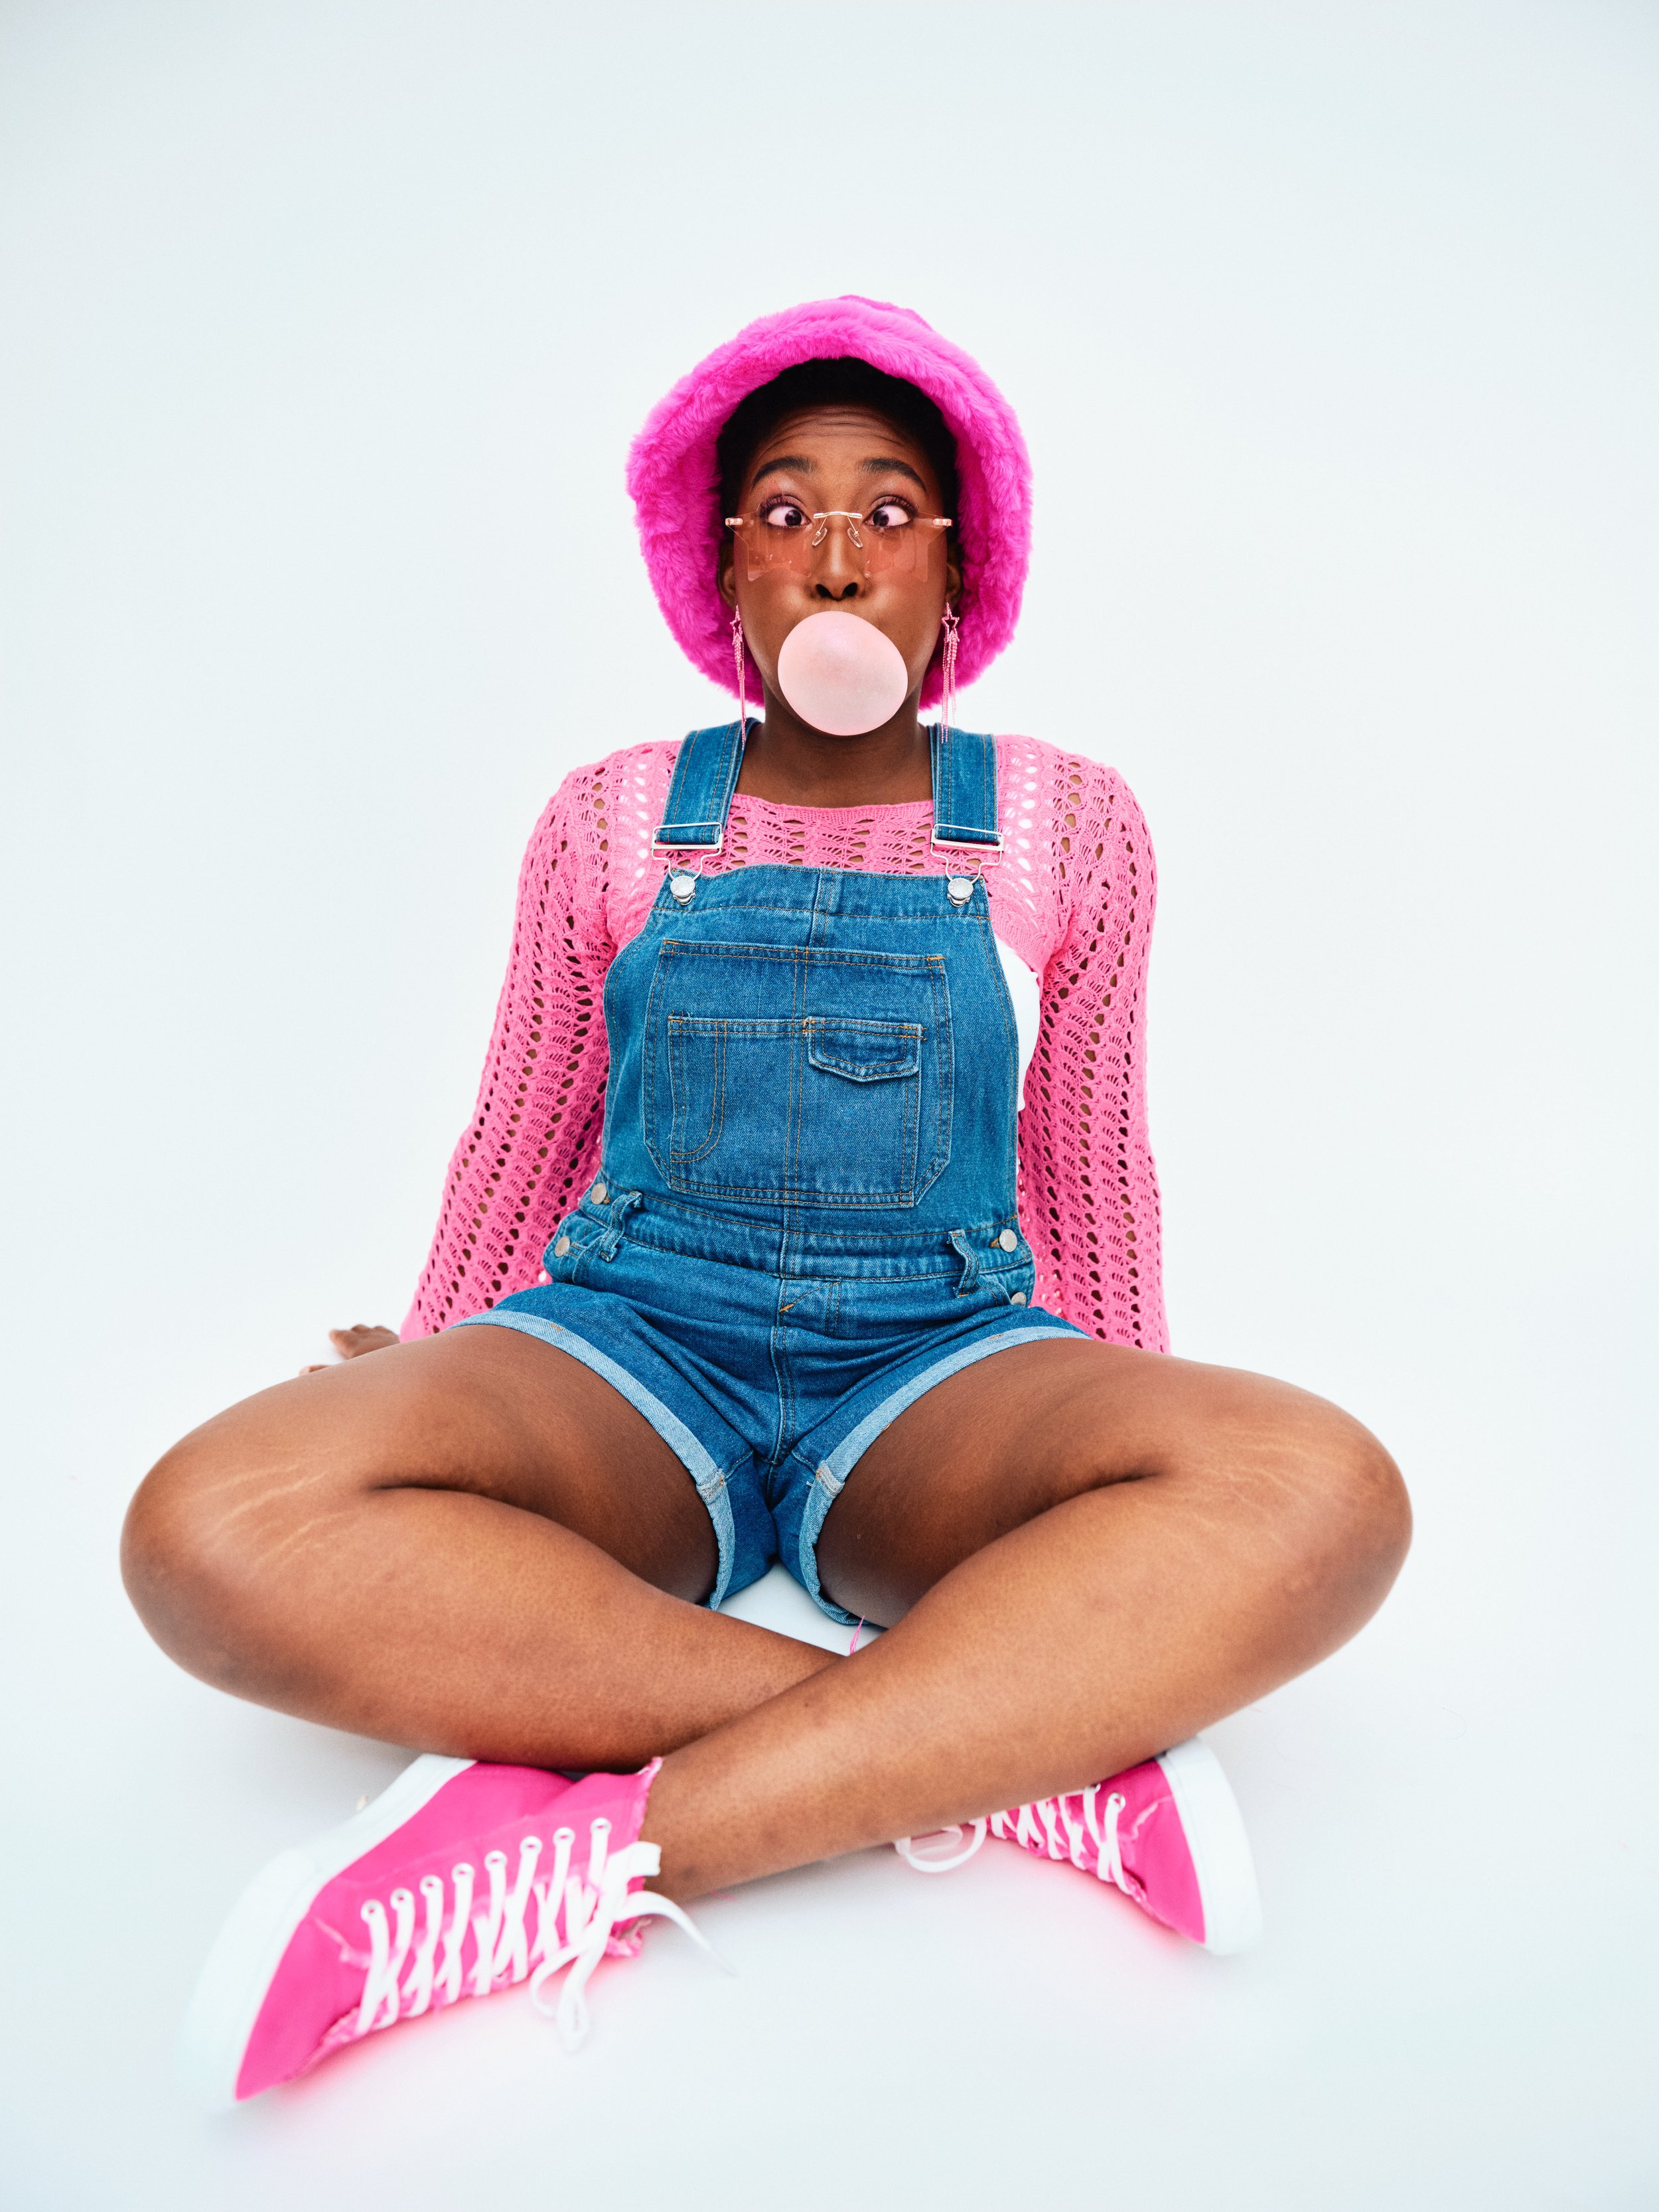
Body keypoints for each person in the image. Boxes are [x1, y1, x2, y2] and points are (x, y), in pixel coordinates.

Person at [121, 297, 1411, 2102]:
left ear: (958, 562)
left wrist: (1108, 1476)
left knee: (1323, 1488)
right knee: (212, 1521)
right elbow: (525, 1120)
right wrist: (427, 1358)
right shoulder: (610, 812)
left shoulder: (1067, 821)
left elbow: (1091, 1152)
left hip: (940, 1371)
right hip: (629, 1338)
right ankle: (1000, 1748)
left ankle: (570, 1865)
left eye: (888, 510)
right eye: (784, 509)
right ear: (718, 560)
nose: (833, 554)